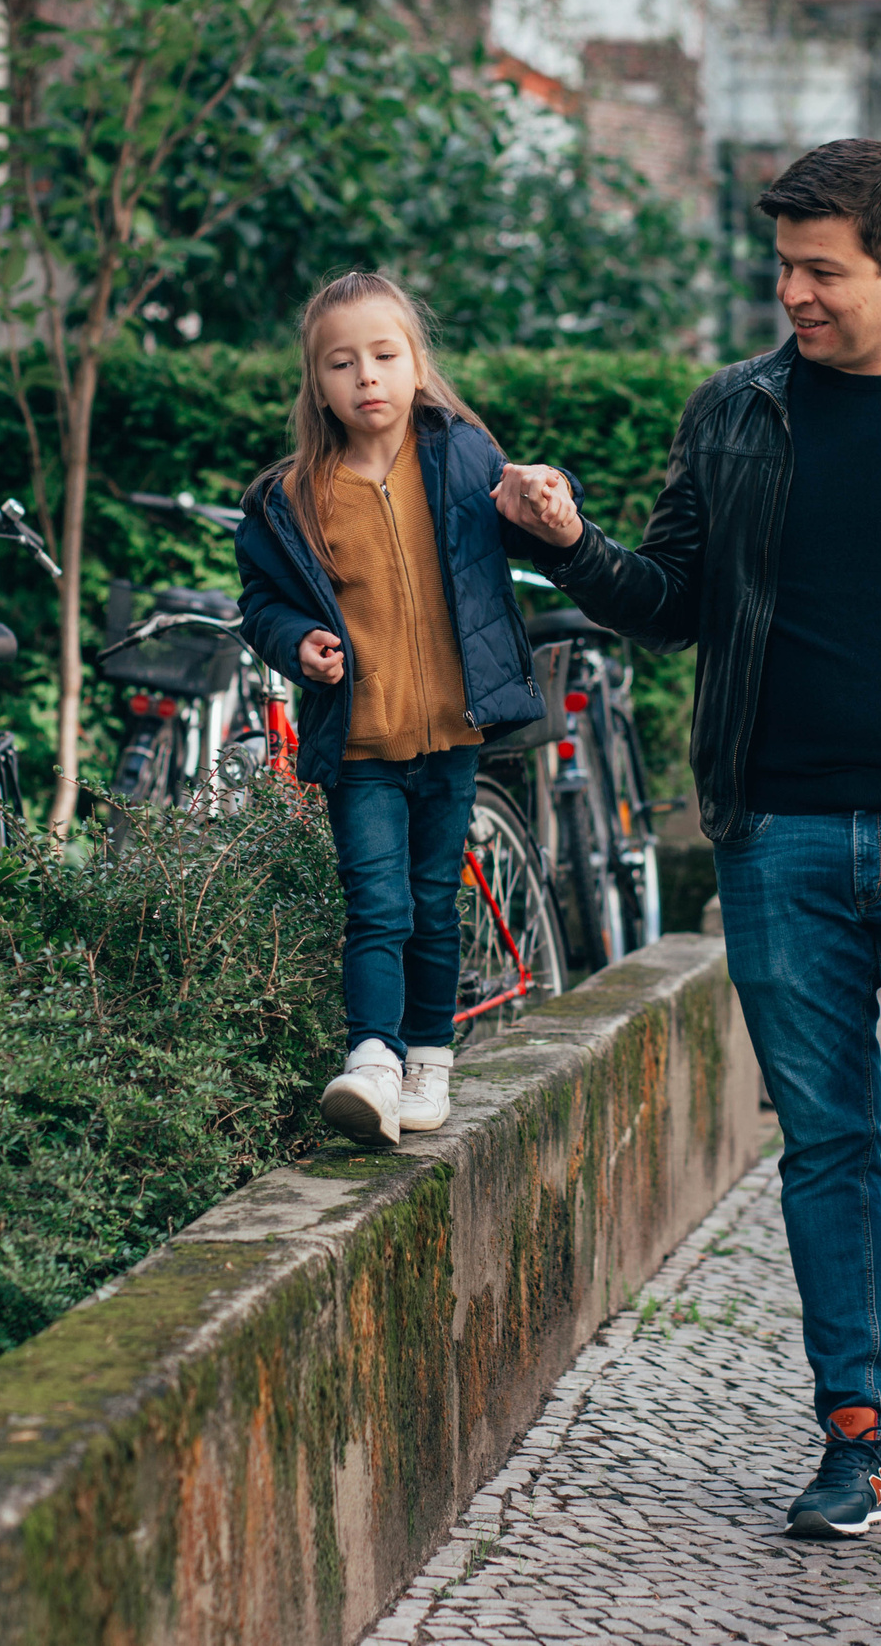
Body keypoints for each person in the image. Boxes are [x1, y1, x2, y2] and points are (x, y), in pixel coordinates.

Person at [497, 139, 881, 1539]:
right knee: (826, 1142)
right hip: (778, 837)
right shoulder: (735, 413)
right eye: (783, 267)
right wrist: (573, 542)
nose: (793, 295)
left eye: (822, 270)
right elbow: (671, 602)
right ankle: (860, 1431)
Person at [236, 270, 578, 1147]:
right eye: (341, 363)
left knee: (431, 899)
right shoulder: (292, 497)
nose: (366, 377)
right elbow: (261, 603)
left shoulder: (464, 457)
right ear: (317, 384)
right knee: (377, 904)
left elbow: (525, 510)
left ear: (417, 363)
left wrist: (548, 490)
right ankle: (372, 1061)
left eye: (385, 355)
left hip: (451, 732)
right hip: (360, 740)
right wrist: (296, 641)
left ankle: (428, 1058)